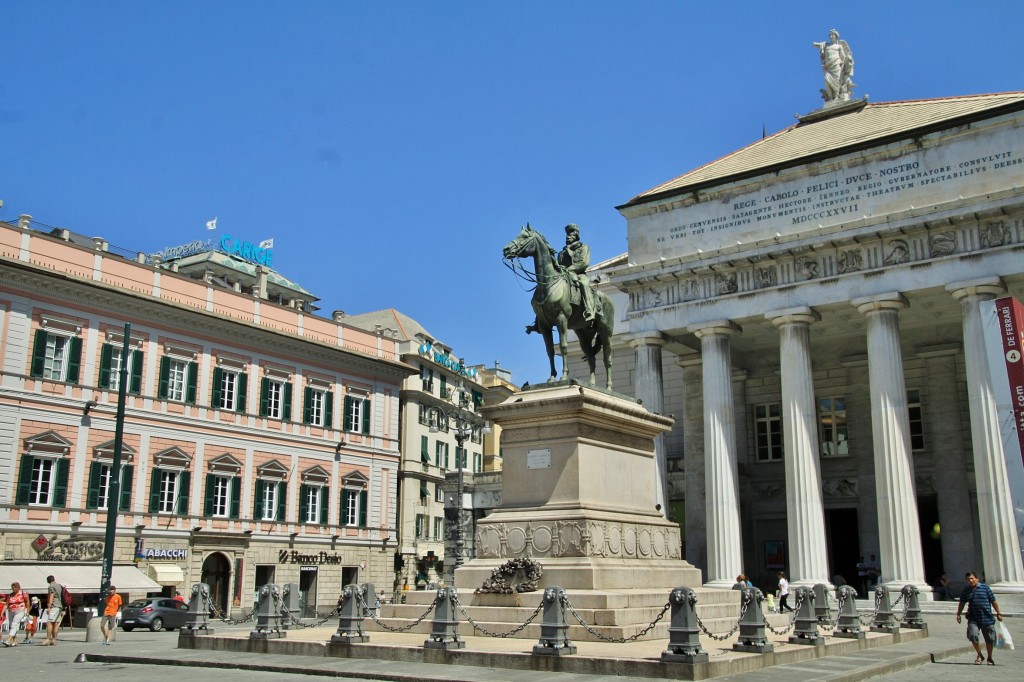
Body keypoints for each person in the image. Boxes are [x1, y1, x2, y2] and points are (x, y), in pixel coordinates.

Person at [956, 571, 1004, 665]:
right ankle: (979, 655)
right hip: (973, 618)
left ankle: (989, 657)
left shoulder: (985, 588)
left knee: (990, 639)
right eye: (968, 579)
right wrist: (958, 614)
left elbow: (993, 601)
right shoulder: (966, 590)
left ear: (977, 579)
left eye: (972, 578)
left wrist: (998, 613)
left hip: (987, 618)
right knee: (973, 635)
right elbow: (962, 602)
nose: (970, 580)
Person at [557, 224, 595, 322]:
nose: (568, 236)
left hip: (579, 274)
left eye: (571, 234)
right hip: (564, 275)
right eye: (567, 235)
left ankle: (589, 310)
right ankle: (539, 318)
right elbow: (558, 265)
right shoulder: (561, 253)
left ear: (576, 235)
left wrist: (569, 269)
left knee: (584, 284)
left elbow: (584, 263)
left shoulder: (583, 247)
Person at [812, 29, 854, 102]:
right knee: (827, 79)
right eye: (830, 35)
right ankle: (831, 96)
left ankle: (837, 96)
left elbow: (843, 57)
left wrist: (848, 59)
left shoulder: (839, 46)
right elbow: (814, 44)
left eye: (832, 35)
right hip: (828, 66)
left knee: (837, 80)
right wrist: (819, 44)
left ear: (836, 36)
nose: (831, 36)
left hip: (837, 64)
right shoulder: (826, 45)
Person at [3, 582, 27, 647]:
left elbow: (27, 602)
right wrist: (2, 612)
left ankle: (8, 640)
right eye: (12, 588)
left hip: (20, 610)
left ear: (19, 587)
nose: (14, 589)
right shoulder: (10, 595)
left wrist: (27, 611)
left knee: (14, 624)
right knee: (12, 626)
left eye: (15, 587)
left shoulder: (23, 593)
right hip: (11, 611)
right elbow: (6, 604)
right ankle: (15, 641)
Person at [44, 574, 62, 646]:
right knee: (56, 624)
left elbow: (51, 596)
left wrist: (49, 606)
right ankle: (54, 640)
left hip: (54, 605)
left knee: (49, 622)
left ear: (48, 581)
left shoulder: (51, 586)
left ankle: (48, 639)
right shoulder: (59, 586)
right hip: (60, 606)